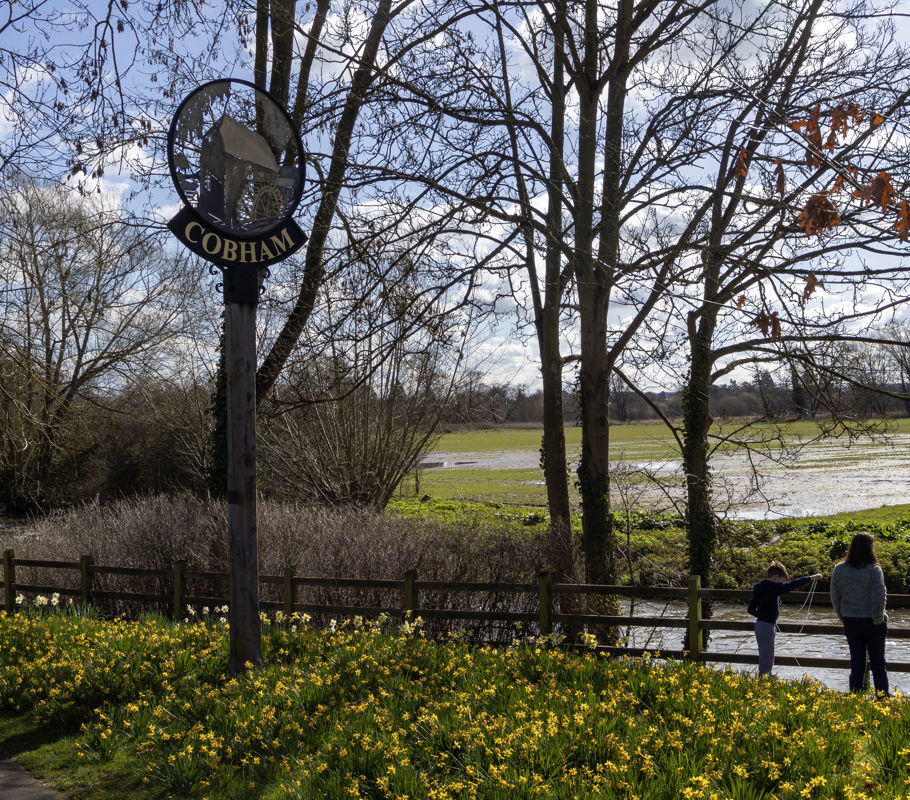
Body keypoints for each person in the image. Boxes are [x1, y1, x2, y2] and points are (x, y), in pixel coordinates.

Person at [830, 532, 889, 695]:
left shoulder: (839, 569)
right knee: (878, 665)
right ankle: (882, 700)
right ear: (870, 548)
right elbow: (879, 597)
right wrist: (878, 618)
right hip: (872, 622)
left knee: (857, 664)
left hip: (851, 621)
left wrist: (843, 617)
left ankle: (855, 699)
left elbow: (835, 597)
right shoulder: (874, 570)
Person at [748, 561, 822, 677]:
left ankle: (766, 676)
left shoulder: (758, 586)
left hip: (760, 625)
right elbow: (792, 584)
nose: (783, 584)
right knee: (767, 657)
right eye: (782, 581)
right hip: (767, 625)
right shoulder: (773, 587)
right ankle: (764, 679)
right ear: (776, 577)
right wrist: (811, 578)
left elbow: (750, 609)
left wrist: (762, 616)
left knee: (767, 654)